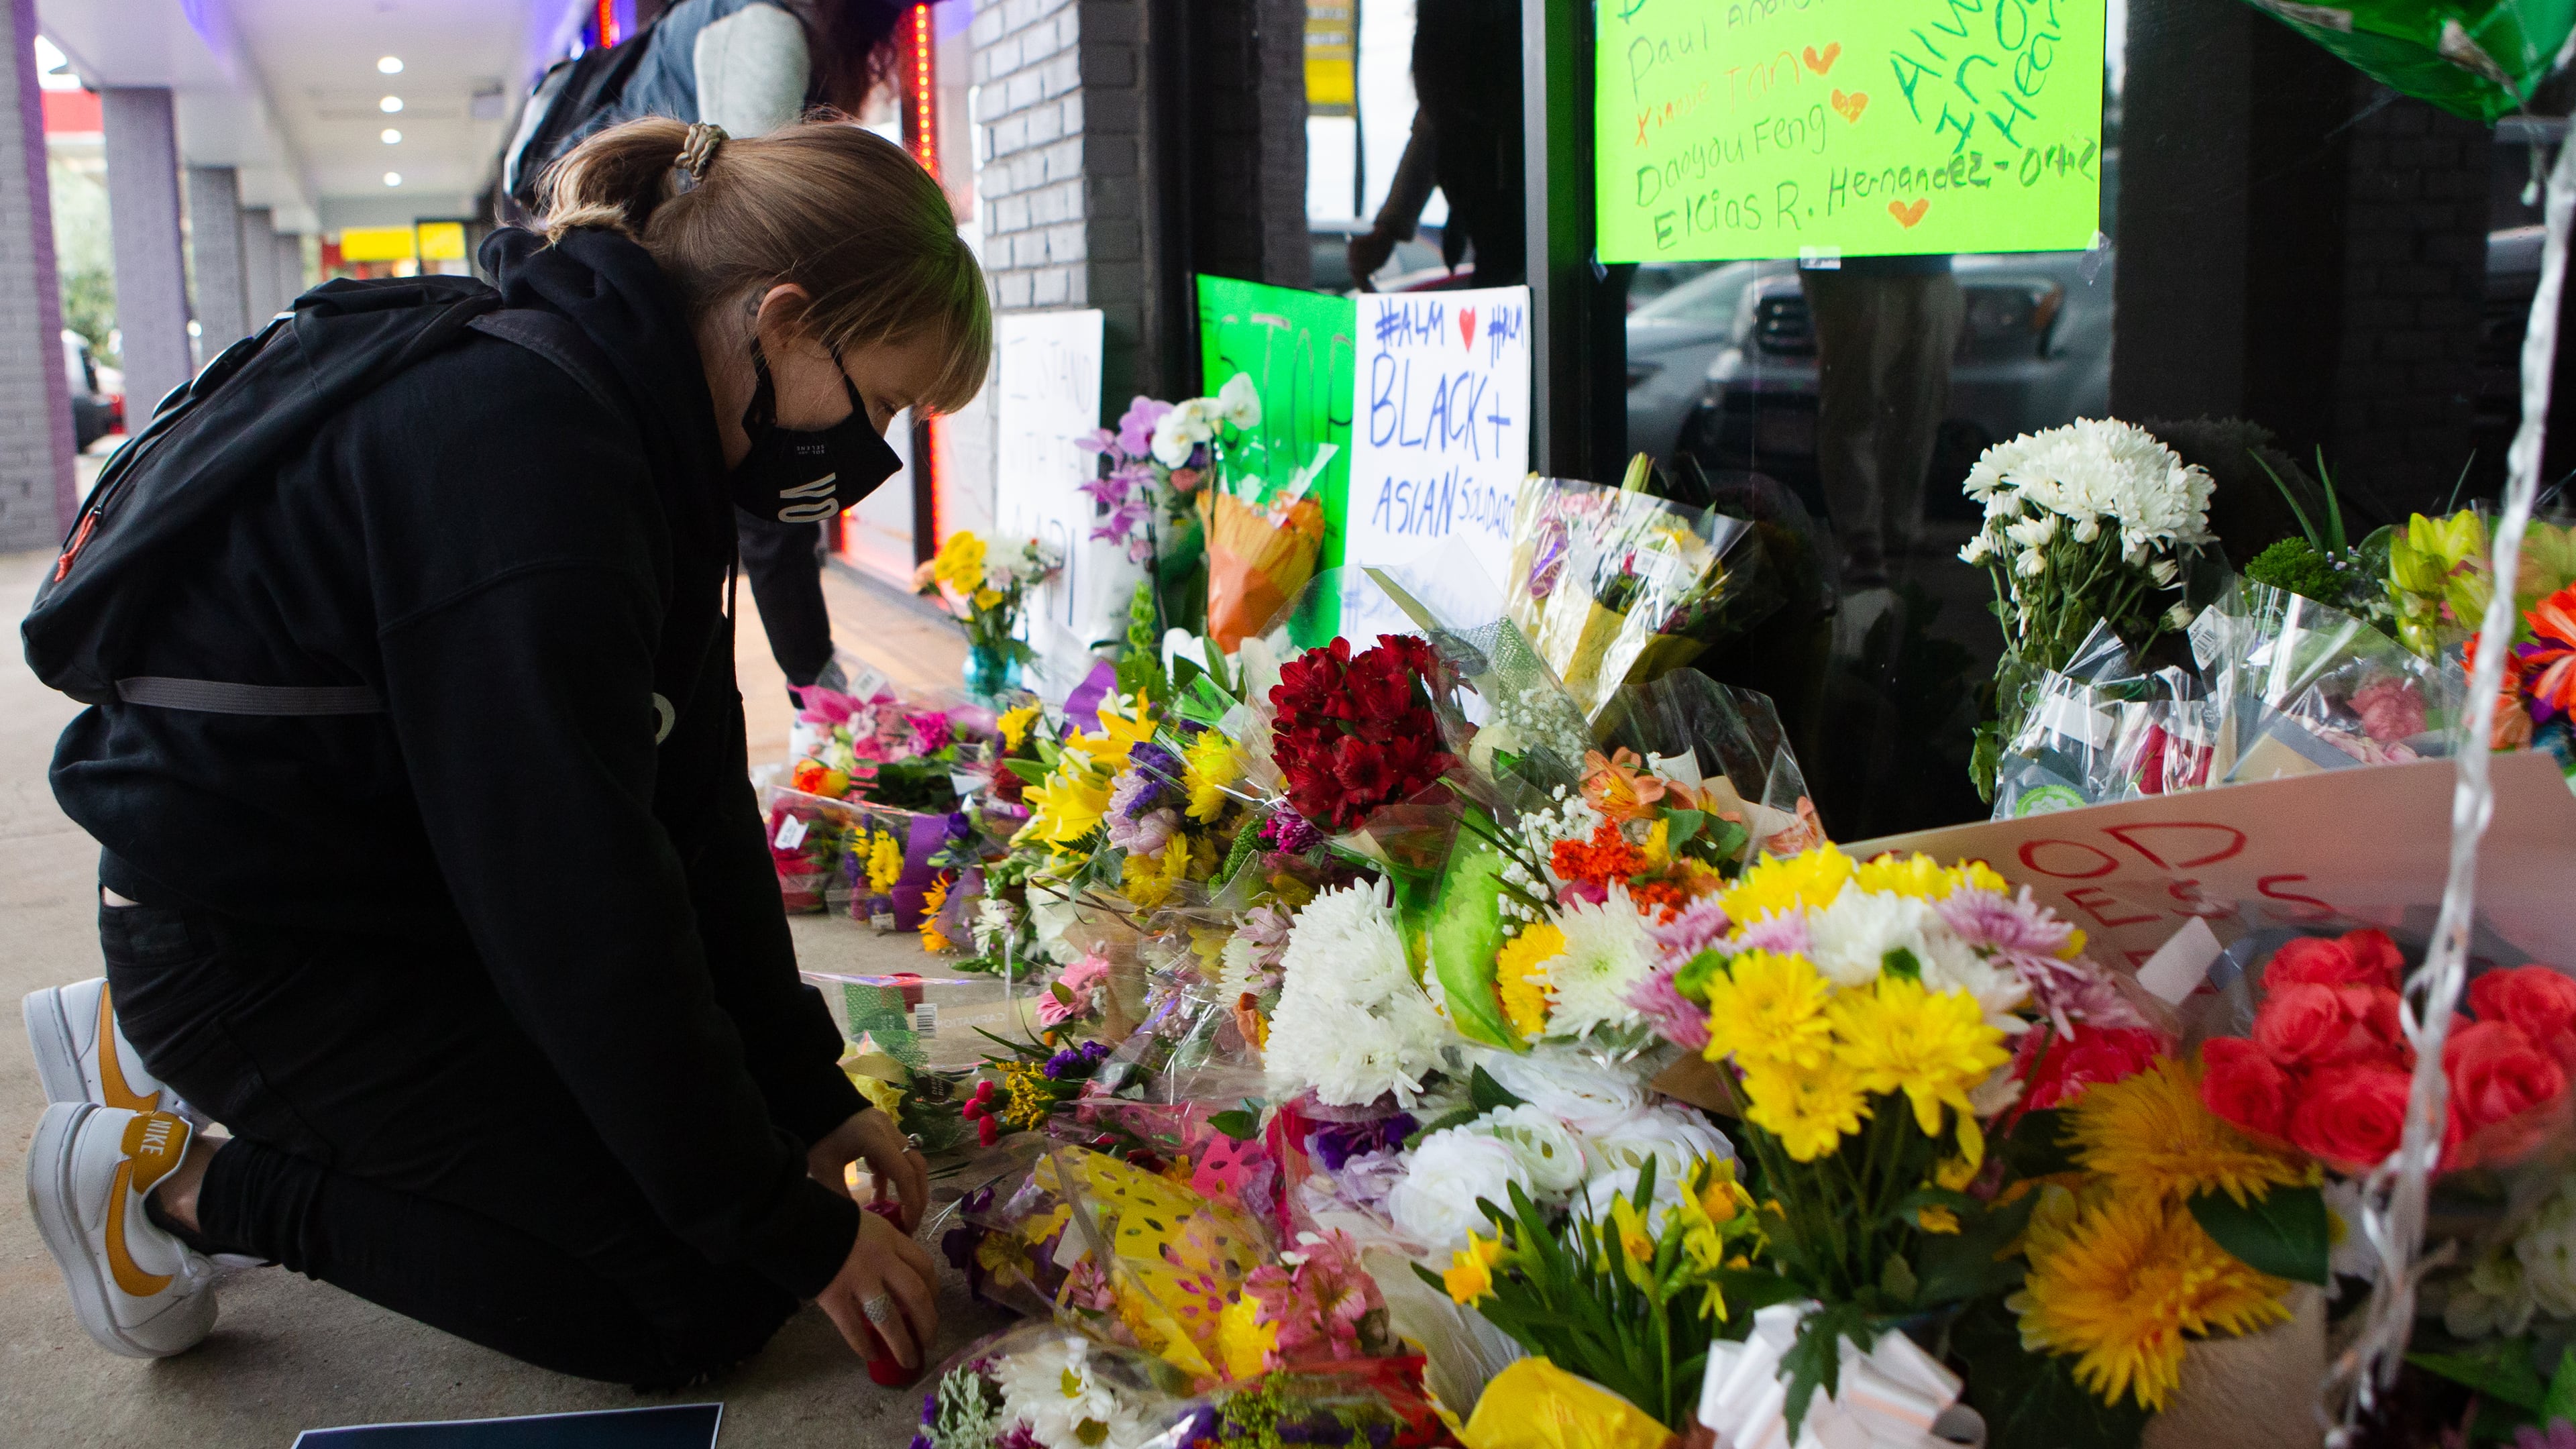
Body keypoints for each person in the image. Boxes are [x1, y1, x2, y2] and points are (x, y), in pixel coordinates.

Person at [21, 116, 987, 1386]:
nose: (876, 450)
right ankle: (184, 1185)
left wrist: (803, 1093)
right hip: (257, 942)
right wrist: (785, 1227)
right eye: (882, 400)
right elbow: (577, 903)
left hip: (380, 885)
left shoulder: (631, 421)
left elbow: (687, 806)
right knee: (688, 1299)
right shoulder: (532, 460)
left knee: (701, 1154)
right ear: (786, 321)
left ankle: (171, 1068)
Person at [517, 0, 918, 698]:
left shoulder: (741, 25)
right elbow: (759, 245)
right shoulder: (767, 30)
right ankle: (816, 691)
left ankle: (807, 686)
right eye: (885, 402)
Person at [1344, 0, 1525, 289]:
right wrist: (1390, 227)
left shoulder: (1510, 121)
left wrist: (1390, 227)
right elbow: (1432, 128)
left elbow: (1433, 125)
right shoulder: (1461, 106)